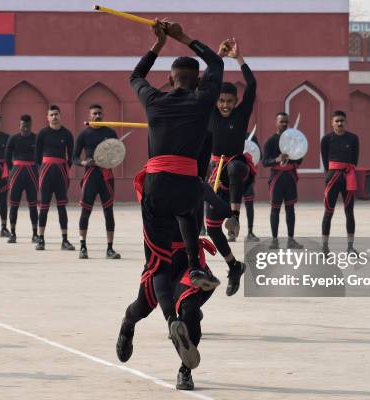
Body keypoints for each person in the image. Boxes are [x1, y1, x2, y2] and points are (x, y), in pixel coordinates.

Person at [128, 18, 223, 368]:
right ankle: (198, 267)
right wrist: (184, 38)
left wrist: (158, 45)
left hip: (156, 185)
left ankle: (170, 319)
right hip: (187, 186)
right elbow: (217, 63)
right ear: (196, 80)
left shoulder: (154, 101)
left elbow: (135, 77)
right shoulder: (202, 102)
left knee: (158, 263)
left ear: (169, 79)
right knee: (188, 223)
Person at [117, 181, 230, 391]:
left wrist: (230, 214)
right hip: (161, 258)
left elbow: (222, 207)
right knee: (140, 308)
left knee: (191, 312)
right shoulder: (153, 189)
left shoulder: (196, 184)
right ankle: (127, 324)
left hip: (189, 261)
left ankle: (185, 371)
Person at [205, 38, 256, 295]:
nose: (225, 105)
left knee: (235, 169)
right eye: (221, 101)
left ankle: (235, 216)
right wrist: (218, 56)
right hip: (214, 171)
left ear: (236, 101)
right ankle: (234, 266)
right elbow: (206, 84)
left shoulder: (241, 113)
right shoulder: (210, 111)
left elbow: (253, 85)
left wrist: (238, 58)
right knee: (212, 228)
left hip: (236, 164)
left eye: (229, 101)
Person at [73, 104, 121, 260]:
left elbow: (118, 153)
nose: (97, 115)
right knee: (86, 211)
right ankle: (83, 247)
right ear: (89, 116)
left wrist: (111, 160)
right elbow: (74, 158)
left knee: (109, 212)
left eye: (100, 113)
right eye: (94, 113)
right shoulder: (84, 135)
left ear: (103, 114)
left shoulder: (110, 132)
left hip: (106, 175)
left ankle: (109, 248)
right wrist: (83, 163)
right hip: (91, 175)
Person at [34, 105, 75, 251]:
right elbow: (37, 156)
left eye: (56, 114)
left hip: (61, 173)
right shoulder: (42, 133)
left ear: (60, 115)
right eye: (51, 115)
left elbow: (71, 156)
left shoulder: (67, 134)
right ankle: (41, 239)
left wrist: (63, 168)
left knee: (61, 207)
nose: (54, 117)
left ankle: (64, 240)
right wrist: (44, 168)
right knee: (43, 207)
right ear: (47, 117)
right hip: (45, 171)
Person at [320, 110, 360, 254]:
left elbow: (355, 159)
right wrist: (332, 173)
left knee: (349, 211)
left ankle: (350, 247)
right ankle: (324, 247)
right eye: (336, 121)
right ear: (332, 123)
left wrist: (346, 171)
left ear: (345, 121)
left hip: (348, 176)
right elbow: (325, 160)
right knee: (328, 211)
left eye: (342, 120)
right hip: (332, 177)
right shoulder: (326, 139)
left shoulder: (353, 138)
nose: (339, 123)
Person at [262, 112, 303, 249]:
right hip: (277, 178)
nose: (284, 124)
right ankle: (274, 240)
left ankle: (291, 240)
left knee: (290, 209)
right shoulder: (271, 140)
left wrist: (293, 155)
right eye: (281, 122)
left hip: (290, 177)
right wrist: (277, 159)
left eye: (286, 122)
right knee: (275, 209)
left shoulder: (293, 139)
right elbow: (265, 162)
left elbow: (300, 159)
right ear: (276, 123)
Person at [4, 114, 39, 244]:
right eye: (23, 126)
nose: (25, 128)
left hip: (31, 173)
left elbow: (40, 157)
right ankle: (12, 233)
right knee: (14, 205)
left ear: (31, 125)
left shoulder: (36, 138)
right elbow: (7, 158)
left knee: (33, 205)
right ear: (19, 125)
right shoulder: (13, 139)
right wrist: (12, 172)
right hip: (17, 173)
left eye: (28, 126)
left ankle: (35, 234)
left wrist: (37, 171)